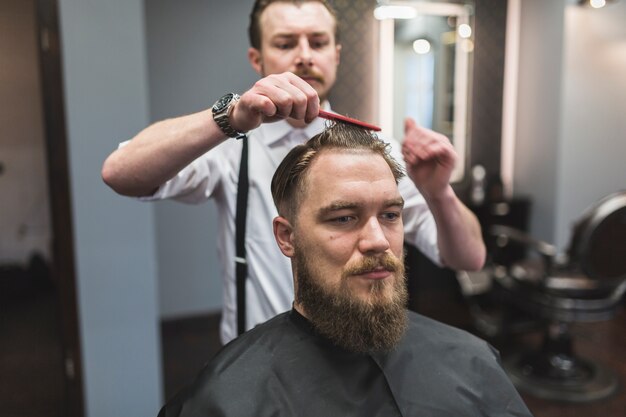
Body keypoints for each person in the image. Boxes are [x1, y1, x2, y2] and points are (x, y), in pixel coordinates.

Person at [101, 0, 486, 344]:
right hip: (258, 365)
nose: (304, 56)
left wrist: (439, 193)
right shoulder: (229, 144)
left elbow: (469, 259)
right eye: (285, 44)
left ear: (335, 54)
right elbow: (120, 173)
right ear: (257, 59)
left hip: (359, 357)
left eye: (317, 43)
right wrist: (229, 116)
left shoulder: (374, 154)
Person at [156, 123, 532, 417]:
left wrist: (439, 191)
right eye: (343, 218)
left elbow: (471, 254)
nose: (377, 240)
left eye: (389, 215)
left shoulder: (471, 358)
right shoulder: (225, 399)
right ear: (287, 238)